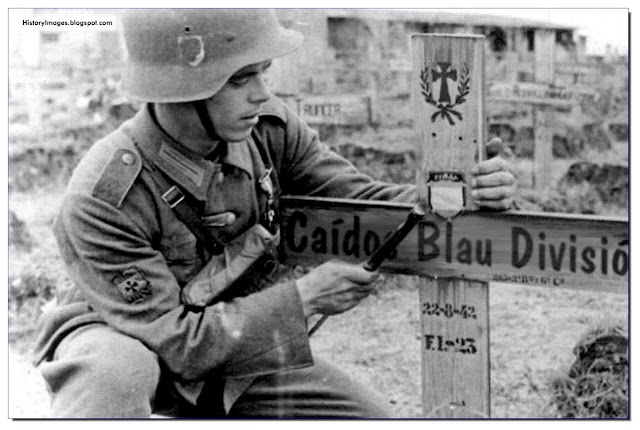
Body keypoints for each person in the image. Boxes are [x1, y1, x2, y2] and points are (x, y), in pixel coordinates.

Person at [33, 9, 515, 418]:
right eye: (241, 79)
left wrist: (453, 195)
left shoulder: (267, 129)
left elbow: (359, 202)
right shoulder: (104, 196)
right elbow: (179, 343)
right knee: (116, 374)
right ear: (181, 89)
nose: (262, 93)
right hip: (125, 333)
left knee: (372, 418)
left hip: (233, 337)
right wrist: (306, 297)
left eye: (262, 72)